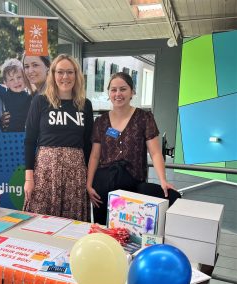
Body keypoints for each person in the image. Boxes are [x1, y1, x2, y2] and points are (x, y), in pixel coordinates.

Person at [87, 72, 181, 225]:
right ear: (109, 93)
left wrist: (163, 180)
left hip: (133, 183)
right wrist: (89, 184)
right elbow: (95, 156)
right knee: (102, 228)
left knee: (131, 228)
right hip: (103, 185)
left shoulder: (144, 118)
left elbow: (156, 152)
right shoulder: (101, 121)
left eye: (123, 89)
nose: (118, 94)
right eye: (113, 89)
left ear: (132, 92)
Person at [23, 54, 94, 222]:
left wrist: (89, 180)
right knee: (40, 222)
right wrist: (29, 178)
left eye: (70, 72)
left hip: (75, 173)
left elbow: (88, 145)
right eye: (60, 72)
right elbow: (29, 141)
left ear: (77, 75)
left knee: (72, 224)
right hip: (45, 172)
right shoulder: (40, 102)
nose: (65, 77)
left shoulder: (85, 105)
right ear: (52, 74)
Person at [0, 54, 50, 129]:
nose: (30, 70)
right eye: (26, 66)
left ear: (47, 66)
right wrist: (2, 121)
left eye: (35, 65)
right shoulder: (33, 95)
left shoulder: (53, 93)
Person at [0, 58, 32, 132]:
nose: (16, 81)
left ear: (24, 77)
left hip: (25, 134)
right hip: (10, 134)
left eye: (19, 77)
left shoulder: (30, 97)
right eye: (11, 79)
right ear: (6, 83)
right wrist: (1, 120)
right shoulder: (5, 95)